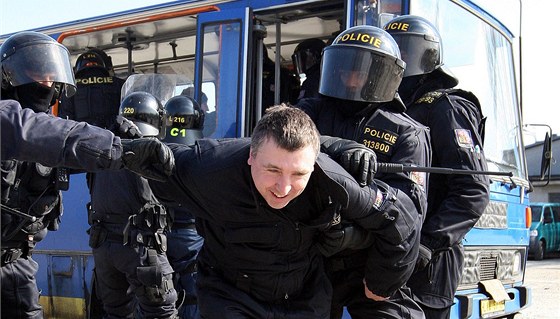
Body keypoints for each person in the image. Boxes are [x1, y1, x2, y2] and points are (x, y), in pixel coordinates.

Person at [148, 104, 420, 319]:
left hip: (303, 299)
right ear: (251, 156)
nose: (284, 187)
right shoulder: (210, 170)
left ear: (314, 166)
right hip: (231, 296)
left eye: (298, 174)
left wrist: (380, 283)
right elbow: (140, 159)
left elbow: (401, 218)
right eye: (273, 170)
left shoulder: (335, 181)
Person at [0, 31, 174, 319]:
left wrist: (120, 133)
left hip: (16, 266)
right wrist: (120, 149)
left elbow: (71, 151)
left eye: (49, 75)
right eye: (35, 73)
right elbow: (43, 134)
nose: (45, 83)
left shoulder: (46, 135)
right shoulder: (10, 119)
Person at [295, 25, 431, 318]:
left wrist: (380, 278)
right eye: (343, 69)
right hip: (310, 259)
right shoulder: (311, 111)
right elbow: (277, 140)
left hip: (368, 265)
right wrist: (336, 146)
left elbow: (408, 211)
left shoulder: (407, 131)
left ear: (380, 74)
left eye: (359, 69)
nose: (349, 77)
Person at [385, 15, 490, 319]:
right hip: (391, 254)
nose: (399, 61)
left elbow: (472, 190)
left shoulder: (446, 107)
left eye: (405, 52)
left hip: (429, 262)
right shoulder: (392, 108)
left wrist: (427, 244)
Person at [87, 92, 179, 319]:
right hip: (141, 249)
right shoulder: (150, 155)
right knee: (162, 313)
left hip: (104, 249)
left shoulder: (106, 151)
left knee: (116, 313)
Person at [162, 95, 205, 319]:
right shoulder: (205, 157)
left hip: (158, 240)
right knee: (193, 297)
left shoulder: (151, 155)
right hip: (193, 241)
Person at [58, 48, 125, 129]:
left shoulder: (70, 89)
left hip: (82, 137)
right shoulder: (119, 84)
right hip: (115, 136)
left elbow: (65, 120)